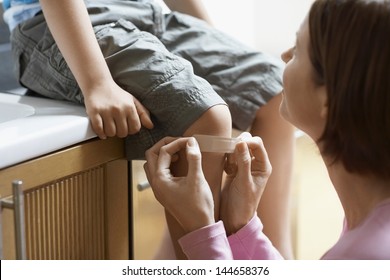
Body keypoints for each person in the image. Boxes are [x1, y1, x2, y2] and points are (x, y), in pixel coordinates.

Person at [3, 0, 294, 259]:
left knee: (279, 93)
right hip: (65, 25)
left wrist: (214, 48)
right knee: (207, 117)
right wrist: (97, 82)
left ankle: (275, 261)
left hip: (150, 14)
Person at [144, 0, 390, 259]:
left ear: (330, 98)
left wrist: (200, 229)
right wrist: (243, 227)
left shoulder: (368, 254)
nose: (284, 55)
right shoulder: (368, 225)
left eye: (298, 50)